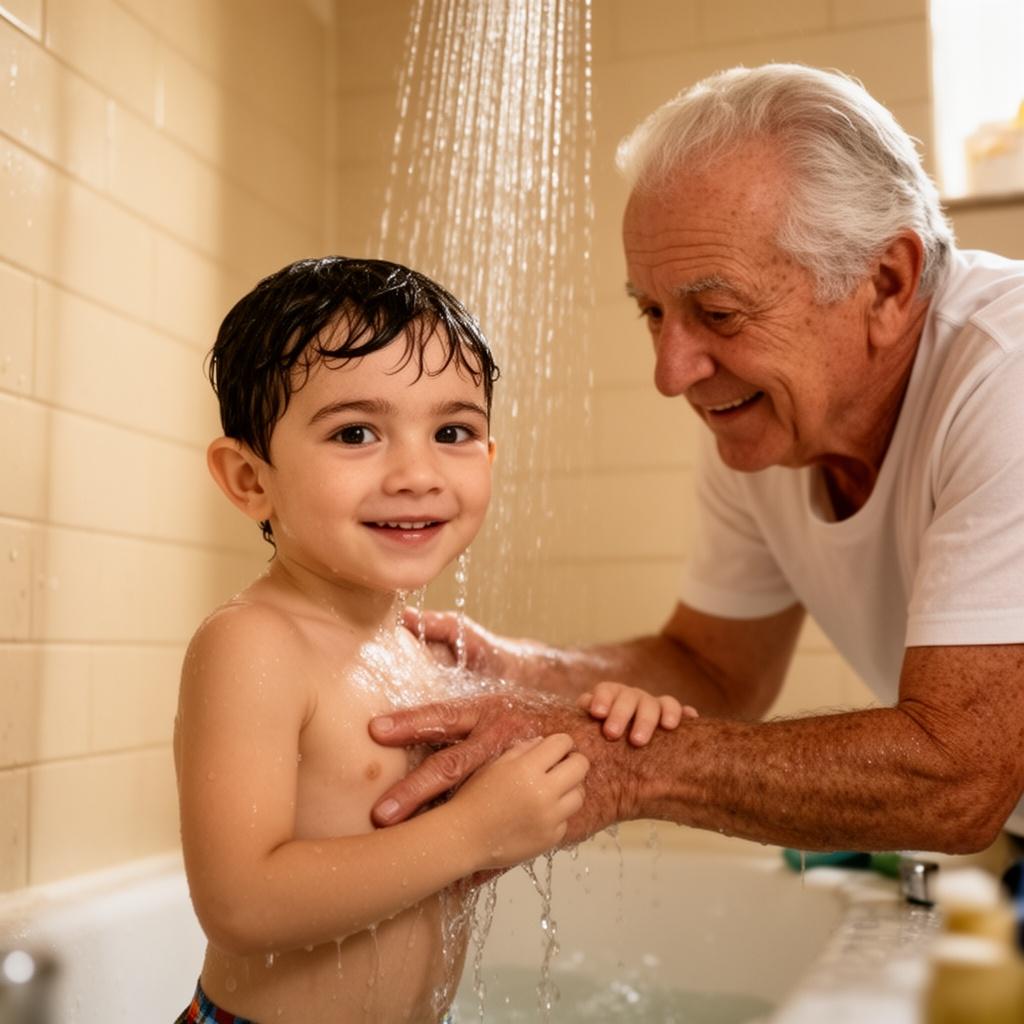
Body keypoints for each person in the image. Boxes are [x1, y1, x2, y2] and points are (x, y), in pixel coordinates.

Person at [366, 64, 1024, 862]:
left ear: (886, 283)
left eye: (718, 312)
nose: (671, 374)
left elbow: (959, 775)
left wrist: (626, 769)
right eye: (653, 311)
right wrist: (510, 669)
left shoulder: (1008, 372)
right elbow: (713, 670)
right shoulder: (772, 418)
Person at [173, 256, 688, 1024]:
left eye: (453, 432)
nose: (417, 473)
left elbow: (509, 789)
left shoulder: (418, 651)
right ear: (251, 480)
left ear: (490, 457)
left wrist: (611, 720)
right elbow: (241, 904)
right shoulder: (254, 645)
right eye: (355, 433)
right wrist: (471, 832)